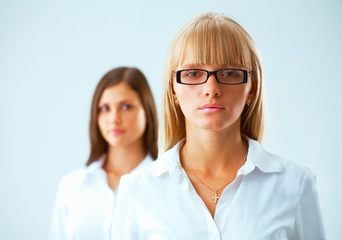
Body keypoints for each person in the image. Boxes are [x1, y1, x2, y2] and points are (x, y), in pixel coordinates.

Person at [111, 13, 326, 239]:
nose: (211, 89)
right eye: (193, 73)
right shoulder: (137, 189)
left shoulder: (296, 183)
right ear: (173, 89)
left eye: (229, 73)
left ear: (252, 88)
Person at [49, 67, 158, 240]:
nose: (114, 118)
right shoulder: (73, 187)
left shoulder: (169, 186)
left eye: (126, 106)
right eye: (105, 108)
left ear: (147, 112)